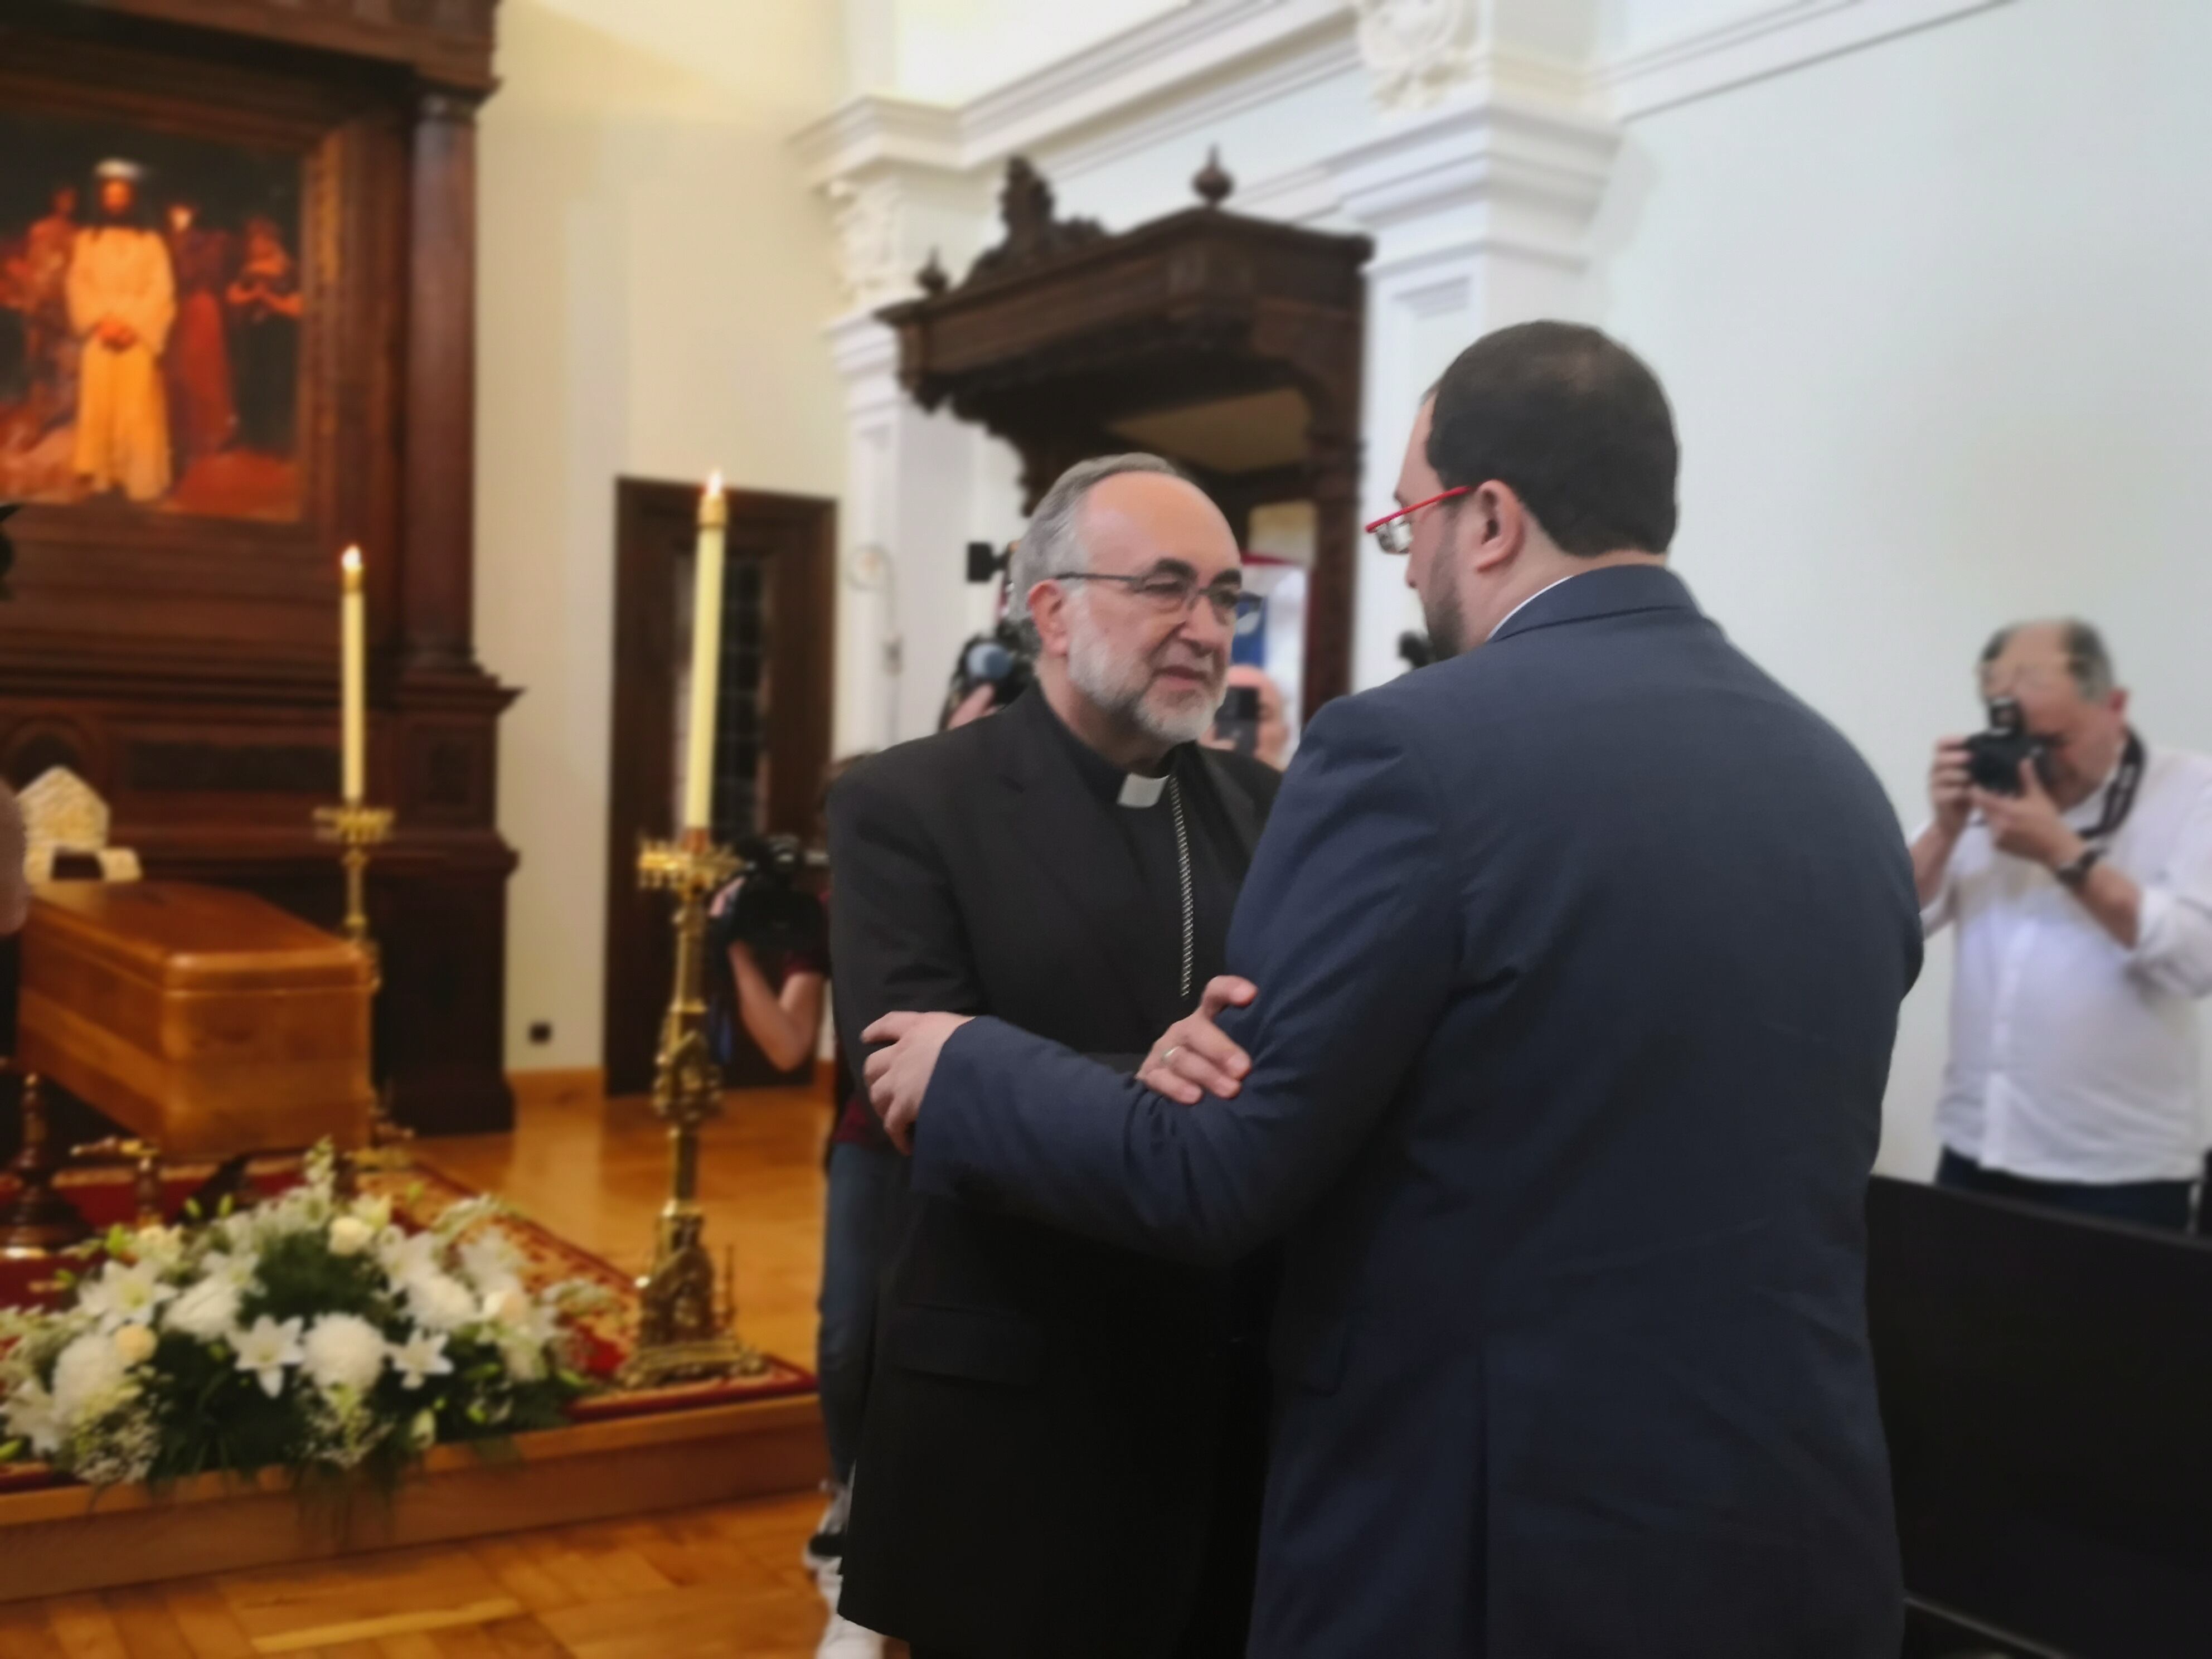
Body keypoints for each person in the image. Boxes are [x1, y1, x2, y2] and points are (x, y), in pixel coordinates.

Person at [861, 322, 1924, 1658]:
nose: (1408, 557)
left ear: (1487, 516)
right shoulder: (1831, 777)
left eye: (1410, 518)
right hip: (1780, 1523)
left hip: (1486, 1537)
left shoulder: (1407, 753)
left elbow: (1218, 1174)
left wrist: (971, 1066)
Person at [828, 454, 1284, 1659]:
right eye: (1167, 589)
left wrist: (1014, 1069)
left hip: (1223, 1388)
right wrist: (1158, 1077)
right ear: (1051, 608)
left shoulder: (1265, 808)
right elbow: (905, 1088)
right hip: (1016, 1399)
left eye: (1227, 599)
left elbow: (1289, 1062)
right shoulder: (906, 803)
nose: (1204, 630)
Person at [1915, 621, 2212, 1231]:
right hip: (1973, 1149)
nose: (2036, 765)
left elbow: (2196, 961)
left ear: (2114, 706)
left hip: (2118, 1177)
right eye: (2020, 739)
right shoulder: (1989, 788)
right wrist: (1944, 831)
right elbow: (1893, 920)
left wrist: (2064, 854)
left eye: (2054, 740)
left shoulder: (2192, 792)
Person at [67, 162, 174, 502]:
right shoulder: (87, 240)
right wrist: (101, 322)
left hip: (136, 336)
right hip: (101, 335)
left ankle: (139, 481)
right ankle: (104, 478)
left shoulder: (151, 243)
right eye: (109, 196)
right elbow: (77, 285)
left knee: (136, 410)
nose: (115, 202)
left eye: (122, 195)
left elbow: (162, 291)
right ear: (102, 200)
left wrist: (132, 326)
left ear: (133, 199)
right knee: (101, 406)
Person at [162, 198, 236, 472]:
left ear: (195, 212)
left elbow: (207, 273)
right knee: (177, 373)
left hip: (201, 308)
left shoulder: (210, 241)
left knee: (205, 373)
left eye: (184, 209)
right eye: (174, 209)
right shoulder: (163, 240)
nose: (179, 215)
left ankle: (209, 438)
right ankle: (181, 437)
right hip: (173, 310)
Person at [227, 216, 302, 455]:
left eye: (261, 241)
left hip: (280, 334)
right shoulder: (248, 270)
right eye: (253, 242)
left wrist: (270, 300)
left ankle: (281, 441)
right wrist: (252, 297)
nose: (256, 247)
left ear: (272, 242)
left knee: (279, 383)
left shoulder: (289, 269)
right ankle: (255, 439)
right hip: (254, 335)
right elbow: (233, 296)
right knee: (253, 381)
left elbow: (298, 308)